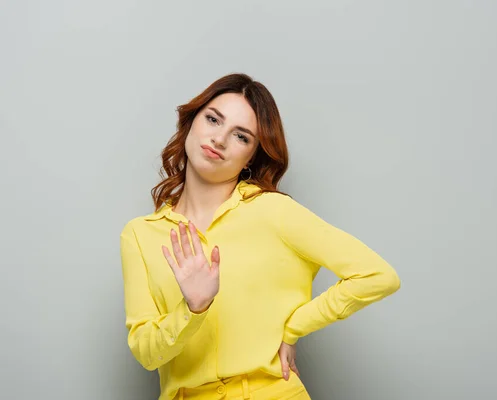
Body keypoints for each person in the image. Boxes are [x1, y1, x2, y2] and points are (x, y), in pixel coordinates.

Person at [119, 73, 401, 400]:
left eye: (240, 136)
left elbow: (378, 276)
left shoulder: (273, 212)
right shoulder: (140, 235)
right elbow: (145, 353)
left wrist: (295, 326)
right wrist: (192, 309)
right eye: (212, 119)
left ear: (251, 155)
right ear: (192, 122)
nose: (219, 139)